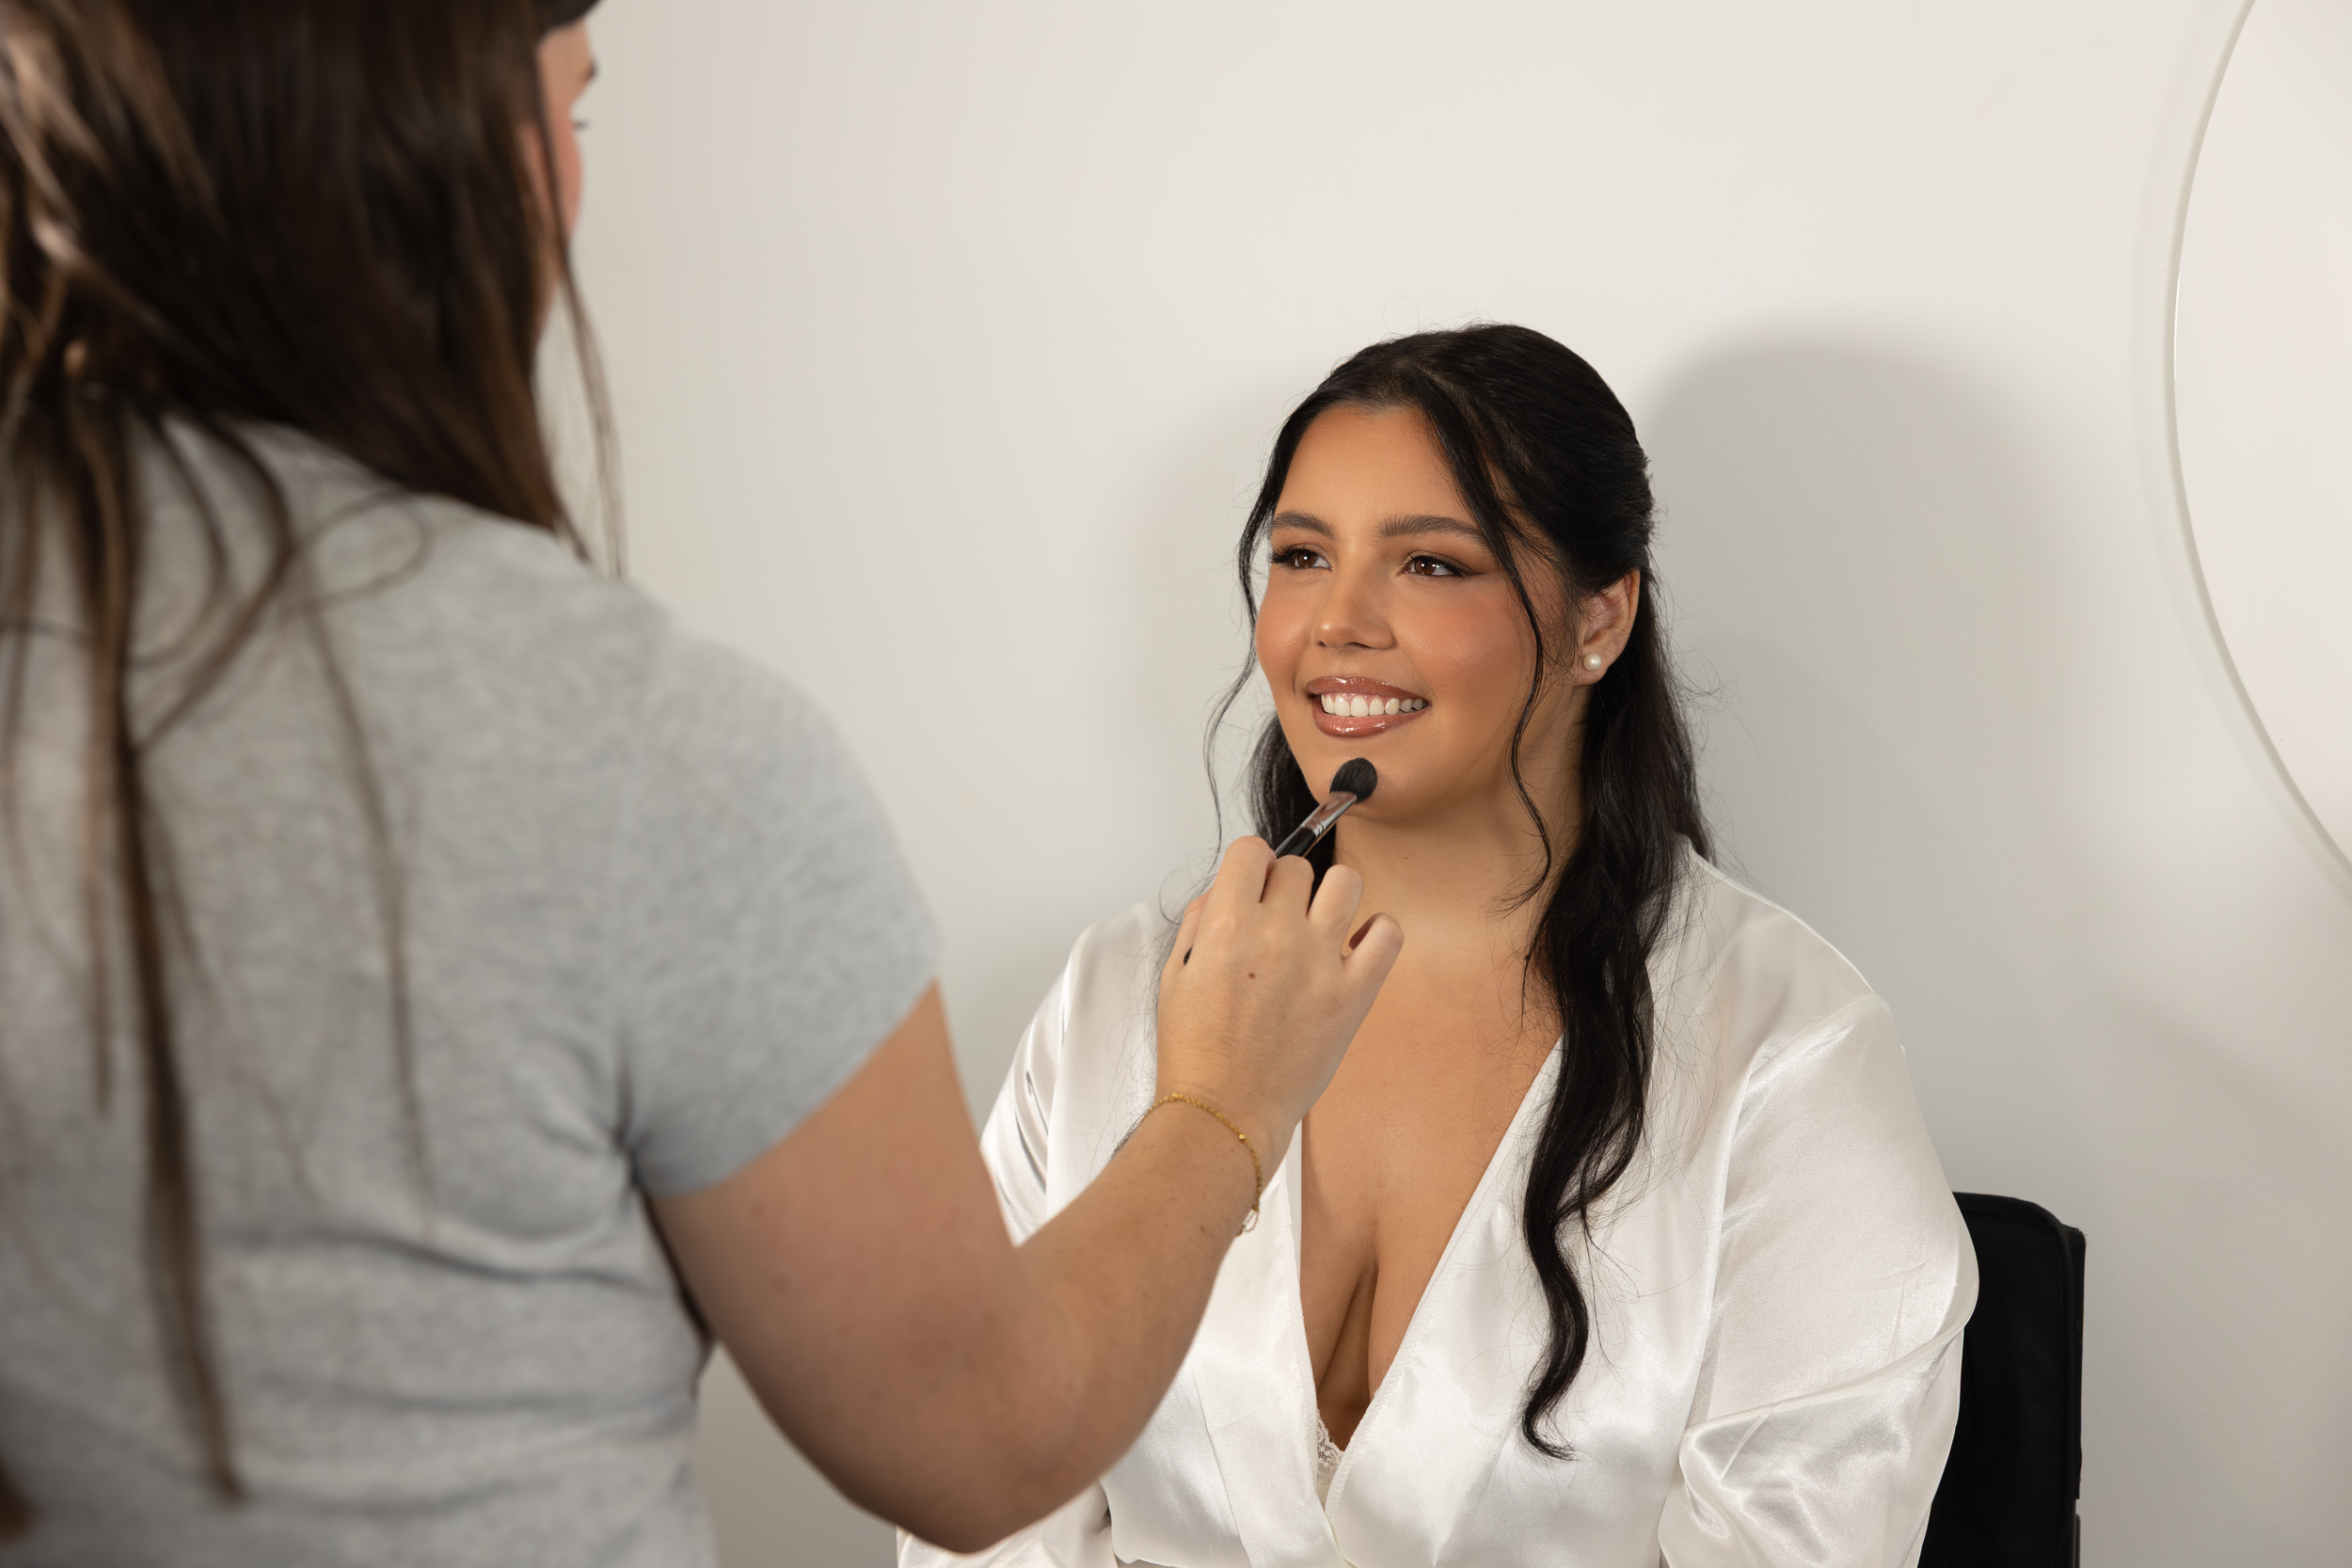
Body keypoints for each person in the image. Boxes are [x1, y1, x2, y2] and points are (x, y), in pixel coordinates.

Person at [0, 5, 1402, 1564]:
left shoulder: (1733, 1029)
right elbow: (980, 1434)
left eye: (1433, 560)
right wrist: (1223, 1104)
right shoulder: (637, 750)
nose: (1346, 618)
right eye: (573, 117)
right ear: (448, 153)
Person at [903, 325, 1975, 1568]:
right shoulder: (1112, 1001)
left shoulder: (1787, 1053)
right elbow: (979, 1521)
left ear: (1599, 619)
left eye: (1430, 564)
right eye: (1301, 555)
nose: (1337, 623)